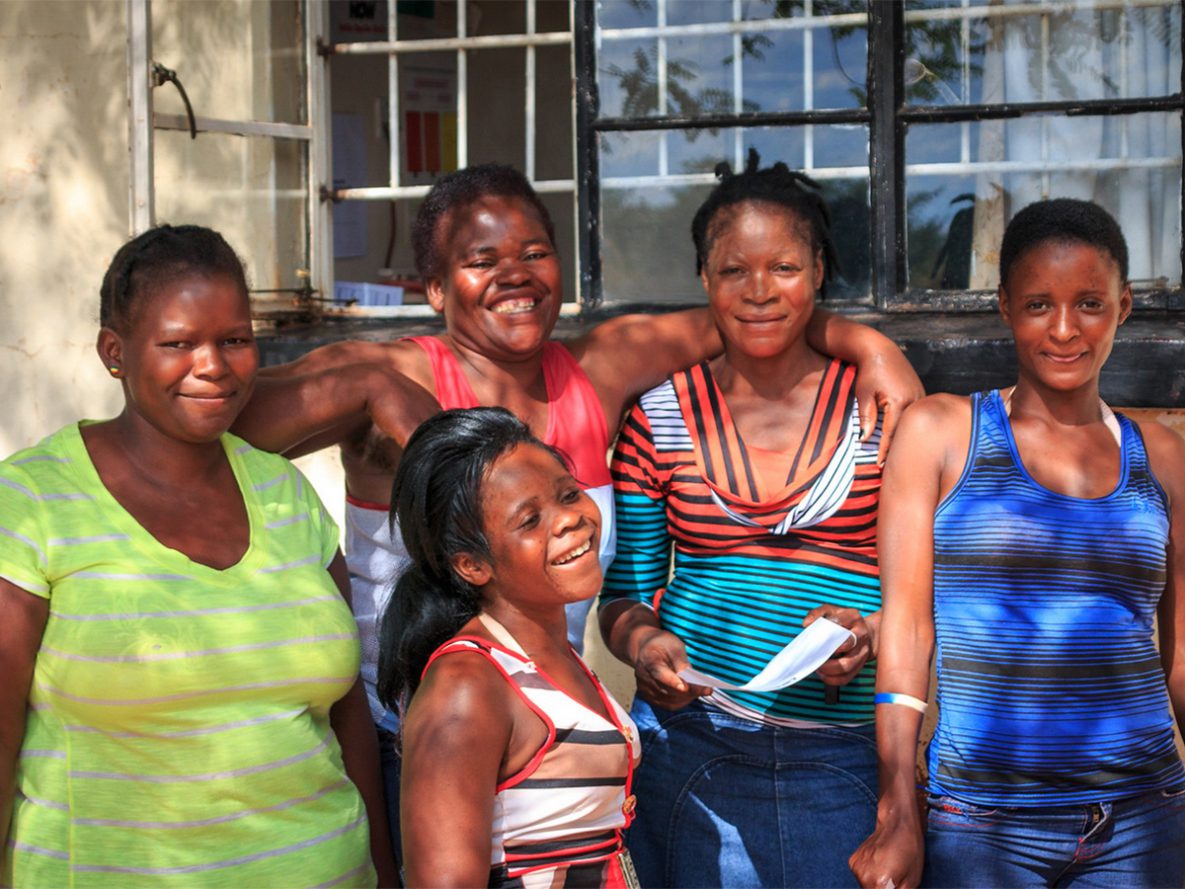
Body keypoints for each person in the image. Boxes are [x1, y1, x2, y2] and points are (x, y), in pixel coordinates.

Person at [231, 163, 924, 850]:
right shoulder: (391, 376)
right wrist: (370, 391)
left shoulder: (597, 370)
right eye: (481, 260)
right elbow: (218, 413)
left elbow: (750, 306)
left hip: (551, 738)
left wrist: (870, 345)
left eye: (535, 252)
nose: (515, 274)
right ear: (436, 287)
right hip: (408, 741)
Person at [0, 225, 397, 887]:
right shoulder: (32, 500)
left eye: (234, 339)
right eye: (178, 342)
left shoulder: (284, 493)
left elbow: (347, 707)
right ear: (114, 352)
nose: (213, 364)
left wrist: (384, 873)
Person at [849, 198, 1185, 889]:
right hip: (981, 824)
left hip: (1144, 822)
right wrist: (897, 806)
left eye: (1089, 302)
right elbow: (908, 631)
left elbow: (1180, 651)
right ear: (1003, 306)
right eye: (1038, 304)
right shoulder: (940, 434)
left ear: (1123, 307)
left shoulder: (1162, 457)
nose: (1064, 329)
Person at [598, 152, 886, 888]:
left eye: (783, 267)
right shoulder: (658, 418)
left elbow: (927, 587)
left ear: (819, 271)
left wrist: (870, 631)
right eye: (732, 271)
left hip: (844, 746)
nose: (759, 291)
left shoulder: (878, 411)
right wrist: (645, 644)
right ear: (703, 280)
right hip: (692, 745)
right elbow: (622, 595)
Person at [378, 407, 640, 888]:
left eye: (569, 494)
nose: (569, 521)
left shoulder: (555, 653)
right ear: (472, 565)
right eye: (530, 520)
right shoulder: (467, 687)